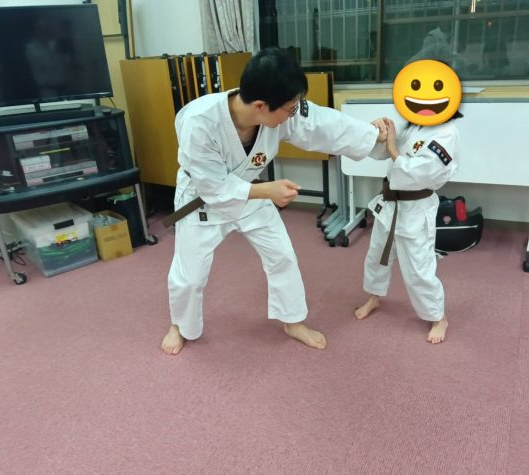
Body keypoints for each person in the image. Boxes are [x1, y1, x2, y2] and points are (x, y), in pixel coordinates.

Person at [161, 47, 389, 355]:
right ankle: (180, 325)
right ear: (260, 106)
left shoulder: (278, 109)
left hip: (251, 191)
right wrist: (268, 191)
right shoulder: (199, 123)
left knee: (281, 255)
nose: (293, 114)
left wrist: (371, 136)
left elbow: (321, 123)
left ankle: (292, 321)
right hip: (201, 200)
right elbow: (213, 186)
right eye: (290, 108)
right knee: (190, 274)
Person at [354, 98, 462, 344]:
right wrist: (380, 135)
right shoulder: (413, 124)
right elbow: (383, 152)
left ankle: (438, 317)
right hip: (389, 203)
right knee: (377, 254)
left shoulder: (446, 133)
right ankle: (374, 297)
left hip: (416, 208)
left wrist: (393, 149)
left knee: (418, 267)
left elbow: (422, 172)